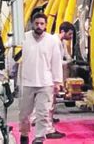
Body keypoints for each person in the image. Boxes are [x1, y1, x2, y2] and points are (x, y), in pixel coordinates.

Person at [19, 12, 63, 144]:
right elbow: (11, 53)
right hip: (27, 82)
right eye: (37, 23)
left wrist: (57, 82)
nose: (39, 26)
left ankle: (39, 138)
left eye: (42, 24)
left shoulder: (52, 41)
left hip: (45, 83)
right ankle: (24, 134)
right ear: (32, 24)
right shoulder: (23, 38)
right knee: (24, 114)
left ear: (46, 25)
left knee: (43, 113)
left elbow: (56, 62)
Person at [45, 22, 75, 138]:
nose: (71, 37)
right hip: (49, 76)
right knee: (49, 104)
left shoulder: (59, 42)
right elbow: (55, 62)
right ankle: (48, 130)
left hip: (50, 75)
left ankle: (48, 125)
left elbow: (62, 58)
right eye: (70, 34)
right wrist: (58, 81)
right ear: (63, 32)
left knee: (50, 103)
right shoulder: (54, 42)